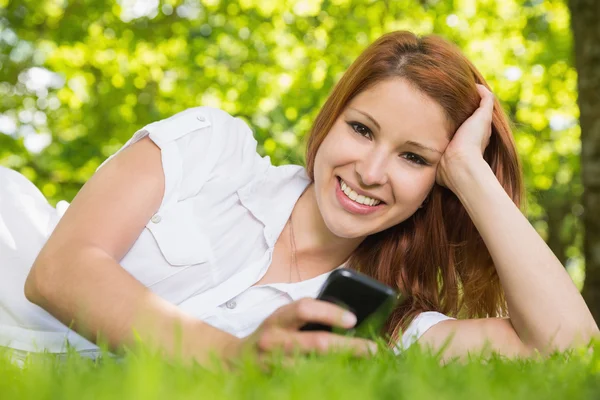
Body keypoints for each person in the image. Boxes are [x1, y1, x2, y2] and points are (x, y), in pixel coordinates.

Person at [0, 31, 597, 365]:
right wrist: (234, 358)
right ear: (330, 120)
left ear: (435, 187)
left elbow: (572, 349)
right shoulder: (212, 150)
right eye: (361, 129)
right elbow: (59, 271)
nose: (370, 170)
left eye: (414, 158)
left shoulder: (383, 327)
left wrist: (471, 173)